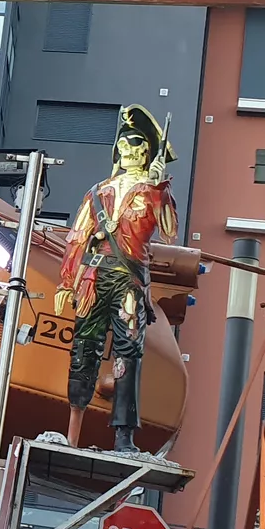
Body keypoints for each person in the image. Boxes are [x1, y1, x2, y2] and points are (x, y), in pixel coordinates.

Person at [53, 106, 179, 455]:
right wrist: (67, 282)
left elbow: (169, 231)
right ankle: (72, 431)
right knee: (84, 348)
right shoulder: (99, 191)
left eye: (135, 142)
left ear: (146, 150)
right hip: (93, 276)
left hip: (128, 280)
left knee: (128, 353)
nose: (127, 148)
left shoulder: (153, 190)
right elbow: (79, 236)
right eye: (123, 142)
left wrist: (159, 187)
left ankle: (124, 437)